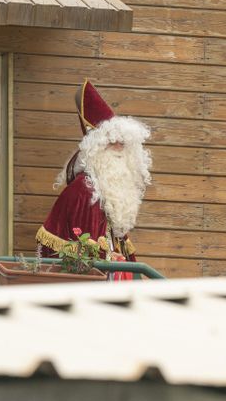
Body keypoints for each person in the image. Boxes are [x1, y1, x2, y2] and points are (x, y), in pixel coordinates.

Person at [35, 80, 152, 275]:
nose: (119, 148)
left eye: (123, 144)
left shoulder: (110, 191)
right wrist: (109, 260)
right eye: (112, 143)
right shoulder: (83, 191)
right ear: (96, 149)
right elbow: (69, 253)